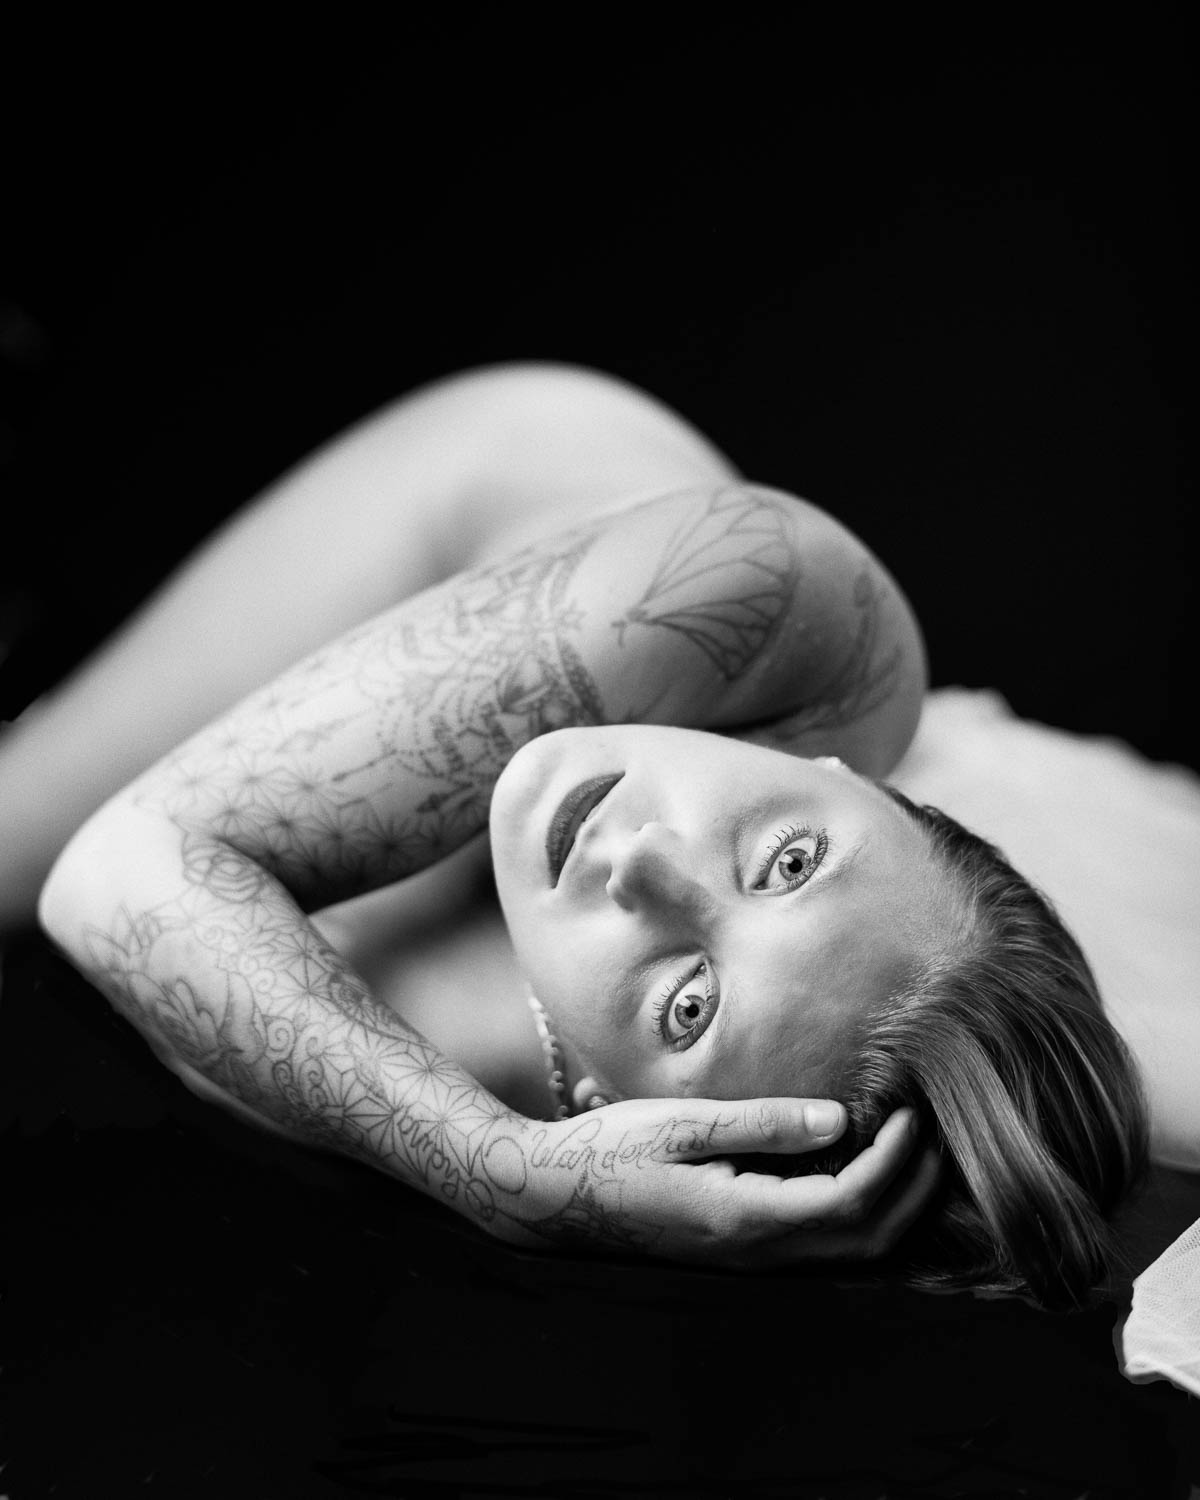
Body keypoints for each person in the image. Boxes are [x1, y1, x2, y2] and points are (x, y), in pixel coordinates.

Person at [8, 363, 1146, 1309]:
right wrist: (493, 1169)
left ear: (623, 1116)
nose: (637, 860)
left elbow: (175, 989)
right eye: (789, 862)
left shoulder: (534, 1057)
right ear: (866, 787)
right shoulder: (767, 588)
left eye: (689, 1003)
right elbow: (118, 877)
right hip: (446, 512)